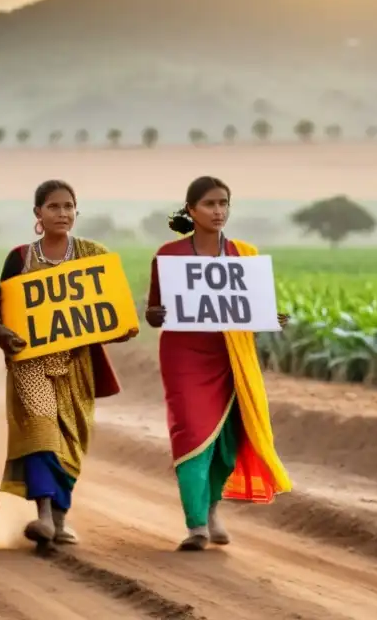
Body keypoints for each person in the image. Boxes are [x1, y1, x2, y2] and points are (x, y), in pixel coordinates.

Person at [144, 175, 292, 551]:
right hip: (184, 357)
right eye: (210, 204)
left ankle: (212, 510)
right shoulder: (169, 255)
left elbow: (252, 309)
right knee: (192, 434)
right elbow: (155, 311)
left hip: (231, 358)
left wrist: (271, 318)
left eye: (224, 203)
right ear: (191, 210)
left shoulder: (246, 254)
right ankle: (195, 525)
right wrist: (156, 315)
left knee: (227, 443)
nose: (218, 211)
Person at [0, 180, 137, 546]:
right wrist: (7, 335)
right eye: (54, 207)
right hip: (30, 364)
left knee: (72, 440)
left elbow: (112, 312)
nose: (62, 213)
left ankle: (59, 518)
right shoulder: (20, 257)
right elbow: (3, 313)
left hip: (76, 363)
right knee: (42, 433)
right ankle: (42, 515)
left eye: (69, 206)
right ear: (38, 214)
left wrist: (122, 327)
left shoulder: (94, 255)